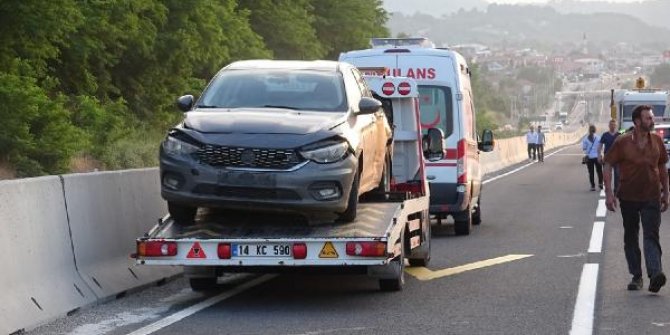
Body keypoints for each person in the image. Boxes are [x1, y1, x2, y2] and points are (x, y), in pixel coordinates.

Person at [604, 105, 668, 293]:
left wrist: (666, 193)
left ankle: (655, 274)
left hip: (652, 196)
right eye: (648, 118)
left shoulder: (657, 141)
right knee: (630, 236)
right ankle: (636, 276)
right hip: (629, 197)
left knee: (651, 235)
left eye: (652, 117)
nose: (652, 121)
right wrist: (609, 193)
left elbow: (663, 167)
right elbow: (607, 164)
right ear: (637, 121)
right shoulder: (622, 142)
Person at [598, 119, 620, 192]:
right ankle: (608, 189)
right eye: (611, 125)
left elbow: (623, 147)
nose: (612, 126)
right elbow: (600, 146)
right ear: (609, 126)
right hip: (607, 157)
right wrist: (599, 155)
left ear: (616, 126)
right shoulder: (605, 135)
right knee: (607, 175)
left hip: (617, 158)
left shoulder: (619, 135)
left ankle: (616, 190)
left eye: (614, 125)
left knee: (617, 174)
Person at [582, 125, 603, 191]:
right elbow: (601, 147)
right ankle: (600, 183)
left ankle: (593, 186)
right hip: (597, 157)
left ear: (589, 130)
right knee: (599, 171)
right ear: (595, 130)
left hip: (589, 157)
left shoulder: (585, 139)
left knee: (591, 172)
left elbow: (584, 148)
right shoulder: (598, 138)